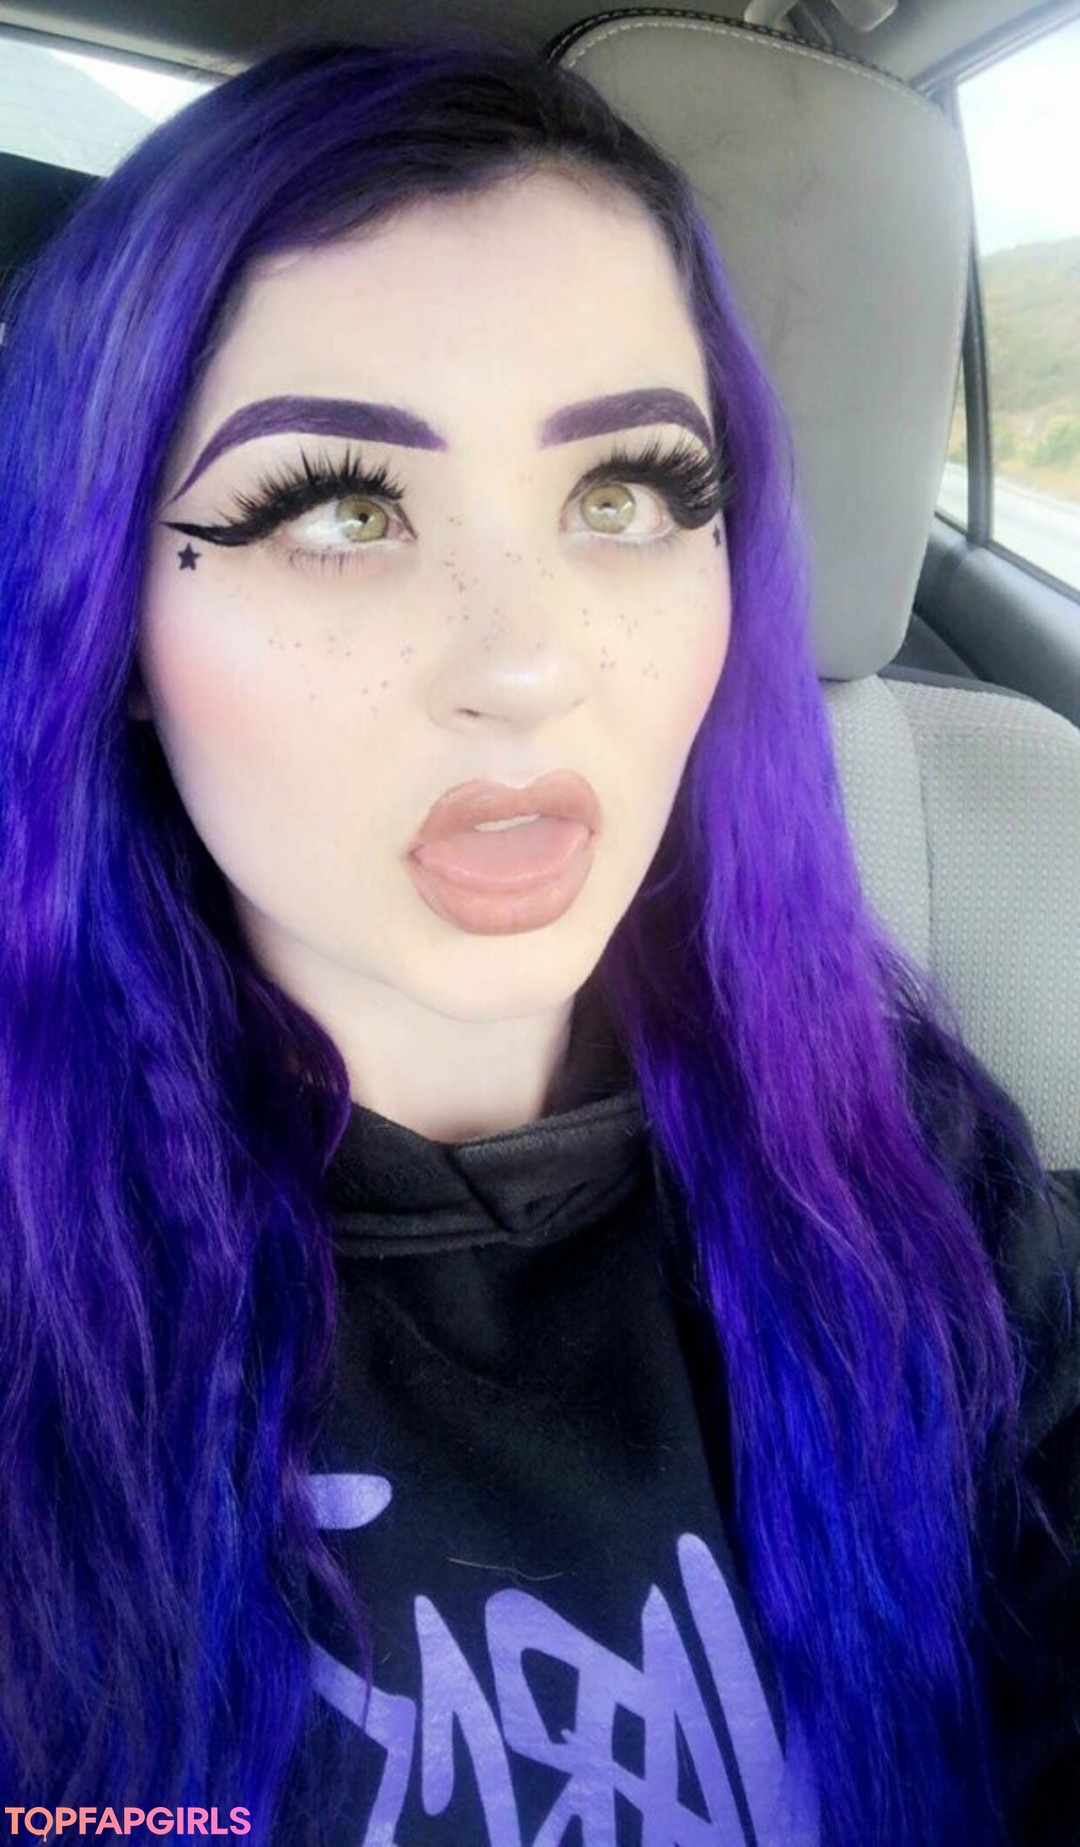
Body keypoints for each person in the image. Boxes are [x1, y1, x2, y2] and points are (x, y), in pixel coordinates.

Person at [0, 40, 1075, 1847]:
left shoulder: (912, 1175)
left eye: (627, 494)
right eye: (339, 509)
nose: (525, 665)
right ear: (105, 620)